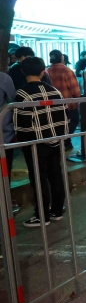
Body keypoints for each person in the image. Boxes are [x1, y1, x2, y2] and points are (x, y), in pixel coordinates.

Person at [13, 57, 69, 227]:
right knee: (55, 174)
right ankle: (57, 211)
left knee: (38, 178)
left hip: (35, 143)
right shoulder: (54, 91)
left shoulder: (22, 94)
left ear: (23, 72)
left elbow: (20, 123)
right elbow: (63, 114)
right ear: (42, 71)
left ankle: (42, 215)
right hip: (55, 140)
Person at [46, 50, 81, 149]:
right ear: (62, 57)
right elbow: (74, 88)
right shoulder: (67, 70)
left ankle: (62, 142)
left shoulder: (47, 71)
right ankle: (65, 140)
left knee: (57, 124)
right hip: (68, 103)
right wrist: (78, 97)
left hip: (52, 103)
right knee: (73, 121)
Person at [0, 69, 19, 213]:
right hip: (4, 135)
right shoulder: (3, 78)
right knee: (4, 172)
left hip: (4, 134)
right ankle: (6, 205)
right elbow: (12, 103)